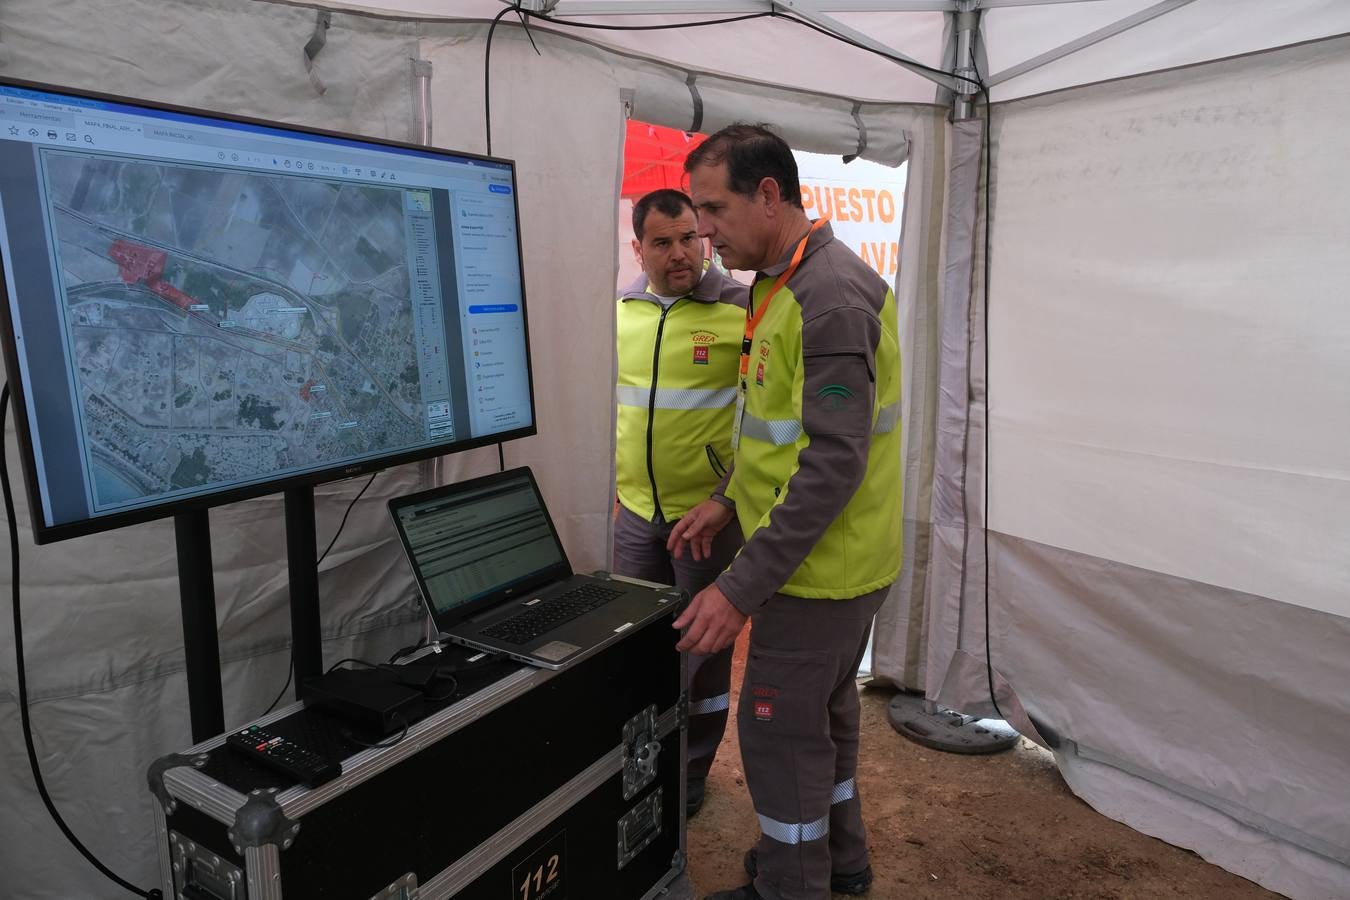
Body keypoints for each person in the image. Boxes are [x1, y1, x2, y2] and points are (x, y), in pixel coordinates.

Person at [668, 125, 903, 900]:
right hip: (826, 565)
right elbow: (774, 429)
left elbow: (833, 461)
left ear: (769, 195)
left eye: (714, 208)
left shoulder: (828, 297)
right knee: (823, 722)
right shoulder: (778, 282)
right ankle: (841, 865)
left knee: (775, 734)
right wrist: (726, 499)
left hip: (819, 574)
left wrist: (739, 588)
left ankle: (789, 886)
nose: (704, 230)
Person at [613, 188, 748, 818]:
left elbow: (765, 420)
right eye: (662, 242)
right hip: (637, 514)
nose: (679, 253)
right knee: (633, 648)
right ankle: (635, 763)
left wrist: (727, 495)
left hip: (706, 521)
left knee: (703, 657)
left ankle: (690, 773)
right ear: (637, 248)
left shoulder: (741, 312)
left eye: (689, 237)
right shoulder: (620, 315)